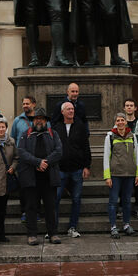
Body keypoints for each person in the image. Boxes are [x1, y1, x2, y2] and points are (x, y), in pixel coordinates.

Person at [17, 107, 64, 245]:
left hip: (49, 177)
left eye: (41, 119)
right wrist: (37, 162)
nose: (39, 121)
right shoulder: (26, 134)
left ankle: (53, 233)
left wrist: (46, 162)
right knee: (31, 207)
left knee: (51, 207)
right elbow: (21, 152)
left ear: (45, 121)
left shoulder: (53, 134)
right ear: (33, 120)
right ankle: (32, 234)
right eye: (36, 119)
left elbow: (59, 151)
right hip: (31, 178)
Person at [53, 100, 91, 238]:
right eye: (68, 109)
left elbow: (86, 147)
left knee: (76, 198)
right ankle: (53, 229)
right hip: (60, 169)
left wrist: (87, 166)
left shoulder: (80, 126)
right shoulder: (56, 127)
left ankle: (72, 227)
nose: (71, 111)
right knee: (55, 198)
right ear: (62, 112)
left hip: (77, 169)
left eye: (72, 109)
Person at [103, 112, 138, 238]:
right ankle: (113, 226)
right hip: (115, 174)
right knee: (113, 201)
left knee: (127, 201)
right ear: (115, 122)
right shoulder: (110, 136)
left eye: (122, 120)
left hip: (129, 174)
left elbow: (136, 156)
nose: (120, 122)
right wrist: (107, 176)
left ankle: (126, 224)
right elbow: (106, 157)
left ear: (126, 122)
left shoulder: (132, 136)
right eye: (118, 120)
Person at [11, 95, 38, 221]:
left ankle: (36, 211)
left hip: (37, 159)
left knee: (37, 187)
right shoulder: (17, 120)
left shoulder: (41, 120)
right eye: (24, 104)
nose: (25, 106)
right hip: (22, 160)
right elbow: (13, 138)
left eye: (27, 103)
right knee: (24, 188)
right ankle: (25, 212)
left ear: (34, 104)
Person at [124, 98, 138, 219]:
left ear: (135, 108)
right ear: (124, 108)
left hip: (137, 160)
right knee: (122, 185)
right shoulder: (119, 123)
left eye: (131, 105)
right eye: (127, 105)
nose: (129, 107)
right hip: (122, 161)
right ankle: (122, 207)